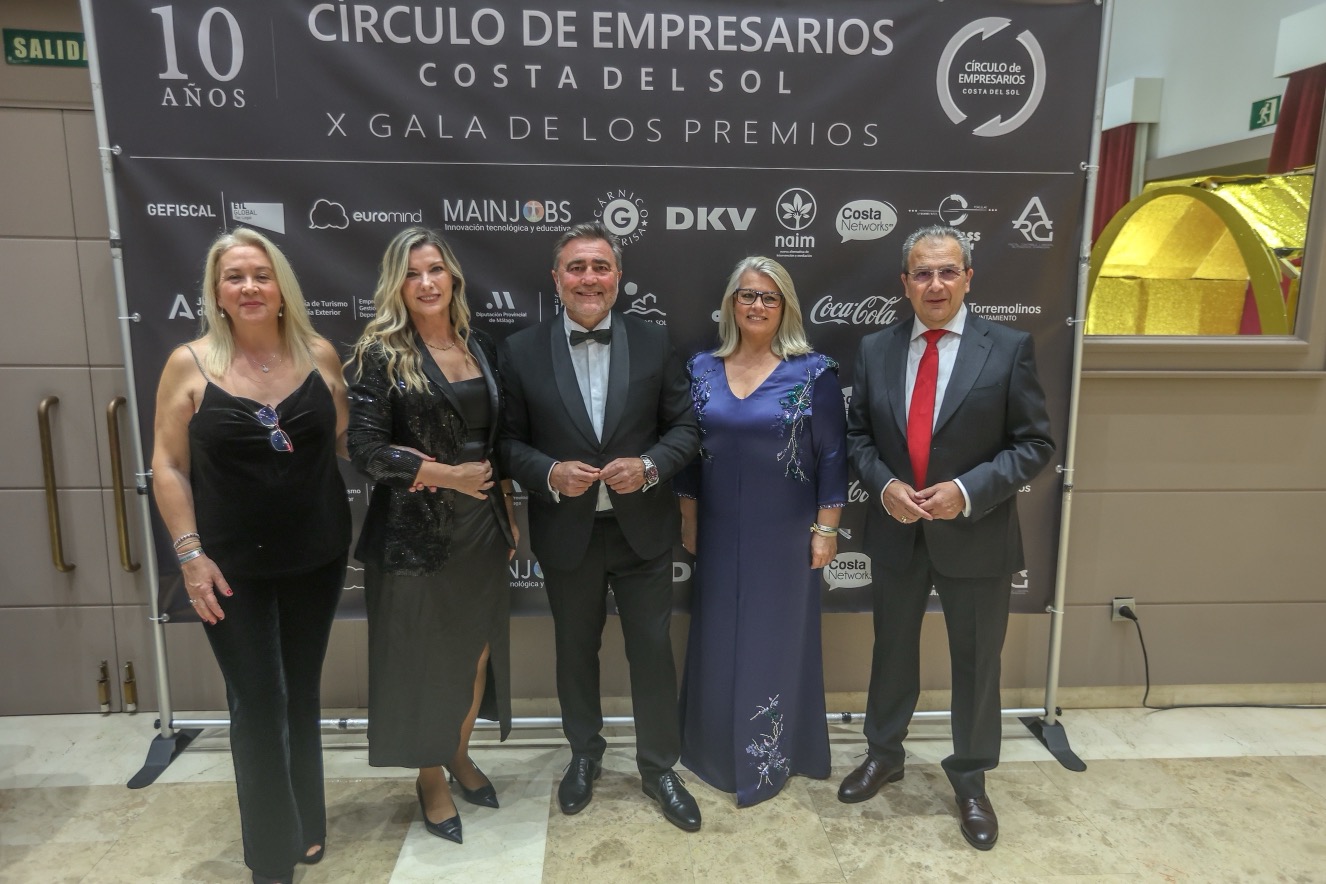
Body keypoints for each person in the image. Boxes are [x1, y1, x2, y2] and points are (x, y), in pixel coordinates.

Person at [840, 225, 1055, 850]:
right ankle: (885, 754)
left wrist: (966, 490)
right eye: (922, 273)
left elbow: (1034, 443)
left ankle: (970, 779)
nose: (935, 284)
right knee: (891, 651)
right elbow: (857, 436)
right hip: (898, 530)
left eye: (947, 271)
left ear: (968, 278)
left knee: (977, 662)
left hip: (977, 533)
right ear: (904, 283)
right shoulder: (876, 348)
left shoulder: (1008, 347)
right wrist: (884, 486)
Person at [151, 227, 351, 884]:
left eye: (261, 275)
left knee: (300, 691)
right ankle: (269, 855)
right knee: (258, 702)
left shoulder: (320, 355)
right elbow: (168, 466)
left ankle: (307, 822)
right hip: (228, 569)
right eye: (234, 277)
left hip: (316, 557)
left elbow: (344, 441)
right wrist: (190, 556)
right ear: (216, 293)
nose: (249, 287)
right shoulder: (188, 364)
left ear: (282, 288)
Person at [499, 221, 702, 831]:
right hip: (568, 533)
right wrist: (548, 472)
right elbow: (506, 443)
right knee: (573, 651)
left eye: (600, 266)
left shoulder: (654, 340)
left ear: (618, 277)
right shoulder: (520, 350)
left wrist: (649, 466)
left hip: (644, 532)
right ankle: (584, 756)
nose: (589, 278)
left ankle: (659, 767)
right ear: (556, 278)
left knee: (652, 654)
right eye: (577, 267)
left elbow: (685, 429)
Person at [346, 227, 517, 845]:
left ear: (453, 278)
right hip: (415, 535)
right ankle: (430, 777)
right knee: (424, 660)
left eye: (435, 270)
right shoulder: (381, 353)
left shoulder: (481, 345)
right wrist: (448, 476)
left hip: (481, 527)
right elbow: (364, 449)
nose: (426, 283)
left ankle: (459, 752)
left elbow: (496, 443)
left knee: (476, 651)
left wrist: (504, 508)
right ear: (397, 285)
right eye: (412, 274)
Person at [675, 256, 848, 807]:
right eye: (747, 295)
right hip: (717, 529)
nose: (757, 305)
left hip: (786, 535)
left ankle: (774, 757)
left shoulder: (814, 372)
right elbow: (686, 455)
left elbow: (833, 456)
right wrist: (689, 520)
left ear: (785, 307)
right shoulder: (700, 369)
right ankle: (710, 752)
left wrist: (826, 529)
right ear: (731, 303)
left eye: (769, 297)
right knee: (718, 637)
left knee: (776, 640)